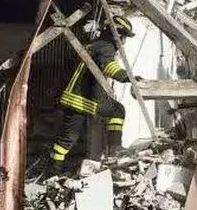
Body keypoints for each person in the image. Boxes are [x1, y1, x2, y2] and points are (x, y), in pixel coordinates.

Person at [50, 14, 135, 173]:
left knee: (68, 138)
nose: (123, 42)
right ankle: (115, 149)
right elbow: (109, 66)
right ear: (114, 33)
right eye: (122, 36)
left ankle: (53, 171)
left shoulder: (93, 44)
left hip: (74, 98)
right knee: (118, 110)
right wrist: (129, 78)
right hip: (84, 99)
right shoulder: (105, 46)